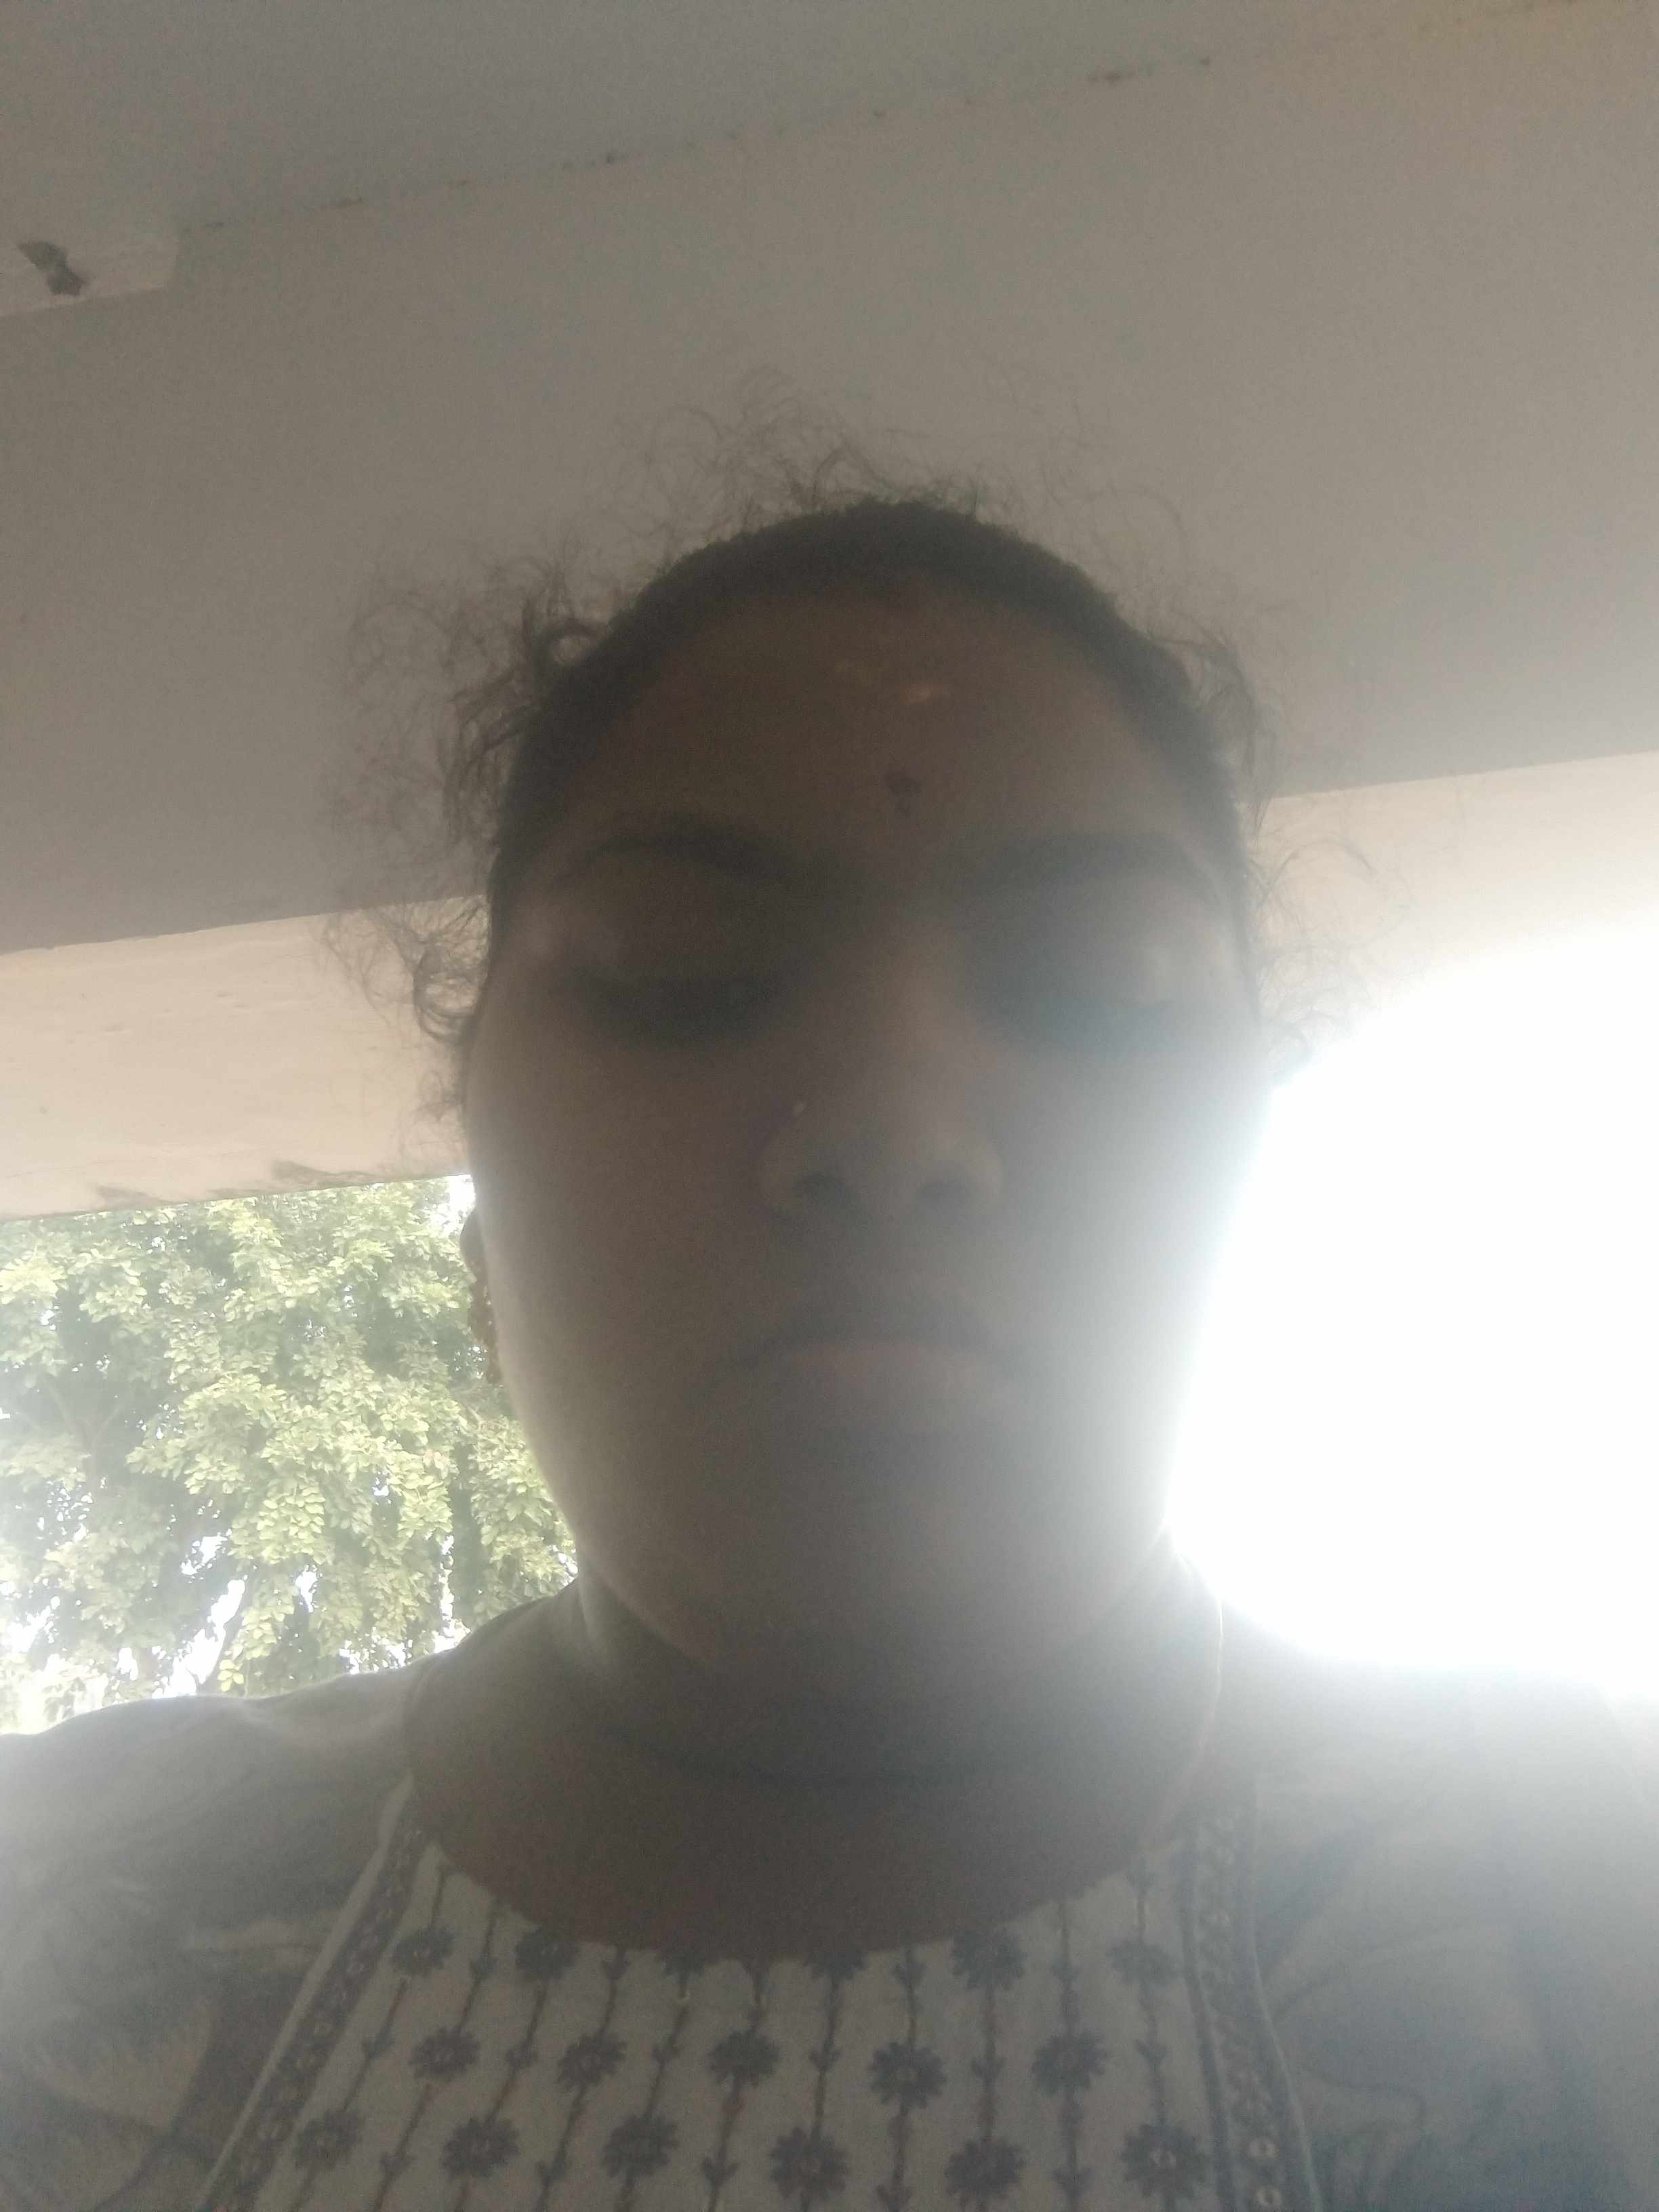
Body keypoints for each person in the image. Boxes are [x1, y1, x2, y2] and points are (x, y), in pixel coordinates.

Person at [3, 479, 1654, 2212]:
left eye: (1098, 986)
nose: (891, 1120)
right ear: (476, 1189)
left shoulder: (1588, 1889)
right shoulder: (68, 1909)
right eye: (677, 968)